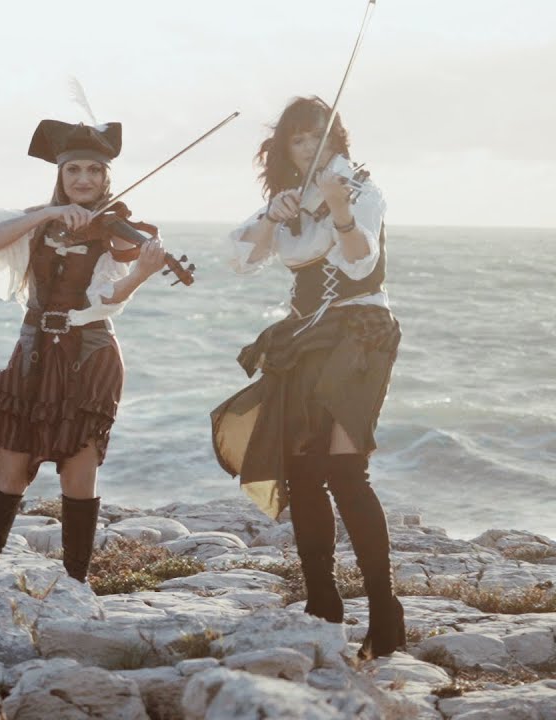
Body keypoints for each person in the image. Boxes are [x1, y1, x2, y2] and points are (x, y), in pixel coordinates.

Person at [210, 96, 404, 659]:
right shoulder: (286, 202)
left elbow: (361, 263)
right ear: (285, 150)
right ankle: (323, 601)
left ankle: (385, 611)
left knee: (345, 470)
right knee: (300, 469)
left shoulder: (362, 190)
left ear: (337, 139)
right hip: (304, 338)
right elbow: (242, 261)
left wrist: (340, 209)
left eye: (322, 134)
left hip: (360, 331)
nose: (313, 145)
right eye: (300, 138)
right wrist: (273, 217)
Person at [0, 120, 166, 582]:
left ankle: (75, 582)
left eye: (93, 171)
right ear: (61, 176)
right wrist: (49, 215)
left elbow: (104, 302)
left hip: (89, 354)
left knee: (78, 470)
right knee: (11, 465)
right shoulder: (37, 220)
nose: (83, 179)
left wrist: (140, 274)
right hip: (32, 353)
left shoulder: (116, 230)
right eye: (74, 171)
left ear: (107, 178)